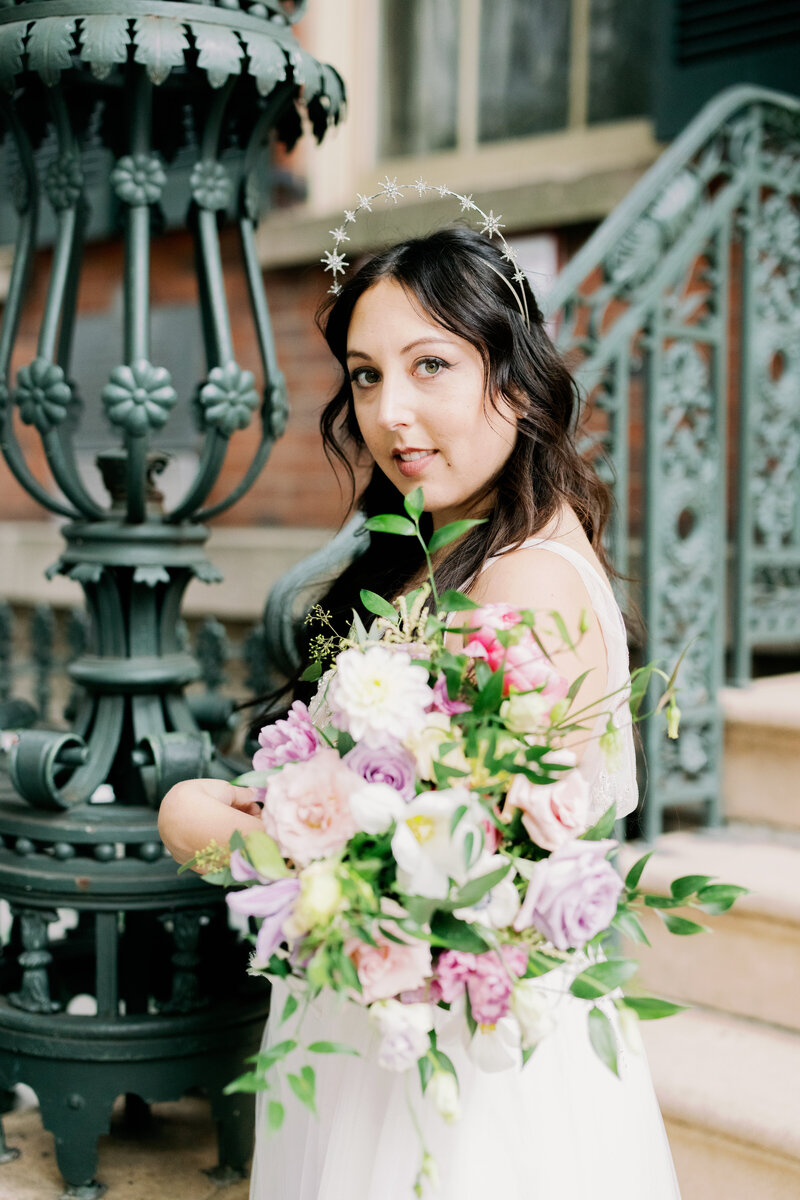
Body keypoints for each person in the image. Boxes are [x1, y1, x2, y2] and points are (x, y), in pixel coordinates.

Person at [158, 226, 681, 1199]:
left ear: (517, 383)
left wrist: (231, 832)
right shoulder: (461, 545)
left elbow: (450, 878)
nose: (389, 412)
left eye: (429, 364)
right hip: (397, 1030)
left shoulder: (517, 584)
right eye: (363, 376)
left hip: (455, 1073)